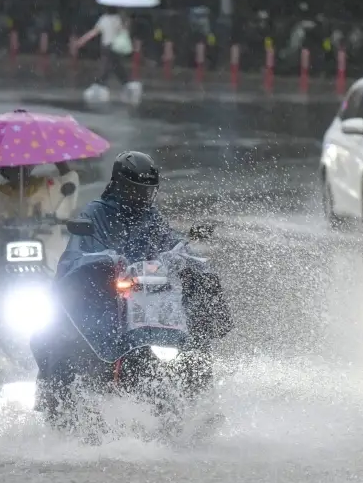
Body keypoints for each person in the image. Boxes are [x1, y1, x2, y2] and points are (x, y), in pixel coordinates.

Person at [32, 151, 232, 414]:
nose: (142, 197)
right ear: (120, 185)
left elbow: (170, 242)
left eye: (147, 192)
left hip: (150, 299)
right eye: (136, 191)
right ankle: (64, 402)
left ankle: (200, 403)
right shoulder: (96, 213)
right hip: (105, 298)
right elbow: (79, 255)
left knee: (195, 334)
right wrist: (105, 262)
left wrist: (187, 253)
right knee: (65, 338)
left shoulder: (152, 217)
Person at [0, 162, 80, 275]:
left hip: (44, 242)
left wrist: (60, 161)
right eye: (10, 168)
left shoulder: (47, 186)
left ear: (29, 168)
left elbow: (69, 181)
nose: (16, 171)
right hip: (5, 242)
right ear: (3, 171)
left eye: (21, 167)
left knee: (62, 267)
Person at [74, 7, 141, 104]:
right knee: (116, 67)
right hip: (115, 47)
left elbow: (94, 32)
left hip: (106, 47)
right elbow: (124, 32)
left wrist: (81, 41)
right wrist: (126, 21)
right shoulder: (119, 19)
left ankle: (99, 85)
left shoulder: (104, 19)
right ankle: (127, 85)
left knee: (108, 67)